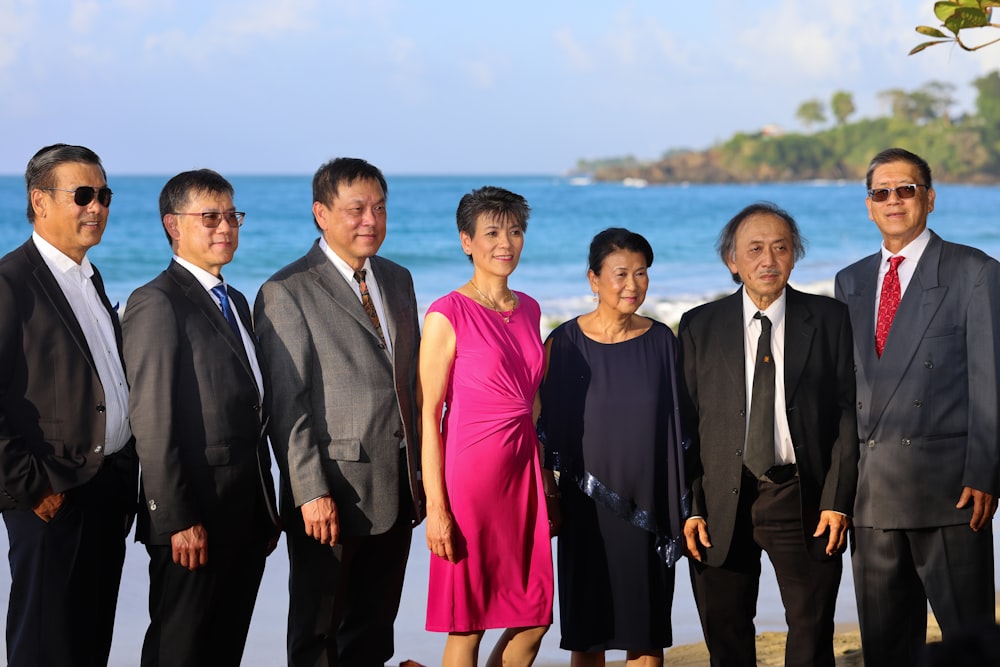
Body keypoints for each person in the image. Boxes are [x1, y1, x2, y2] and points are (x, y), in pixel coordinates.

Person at [254, 157, 423, 667]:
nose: (370, 220)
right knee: (318, 633)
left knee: (374, 630)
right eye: (356, 209)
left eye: (379, 208)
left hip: (396, 484)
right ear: (321, 213)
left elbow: (408, 381)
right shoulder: (287, 290)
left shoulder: (397, 278)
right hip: (329, 494)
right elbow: (288, 405)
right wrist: (310, 493)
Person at [834, 147, 1000, 667]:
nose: (894, 200)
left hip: (951, 494)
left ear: (929, 198)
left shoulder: (975, 271)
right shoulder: (851, 280)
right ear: (868, 206)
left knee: (970, 646)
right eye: (881, 192)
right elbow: (845, 396)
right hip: (871, 497)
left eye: (906, 189)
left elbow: (991, 380)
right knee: (886, 652)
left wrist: (986, 473)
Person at [679, 202, 858, 667]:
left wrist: (837, 499)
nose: (768, 260)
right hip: (722, 497)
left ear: (794, 256)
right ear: (732, 261)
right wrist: (691, 506)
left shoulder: (830, 319)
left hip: (801, 495)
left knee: (812, 628)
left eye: (780, 248)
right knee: (726, 632)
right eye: (754, 249)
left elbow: (847, 416)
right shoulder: (700, 325)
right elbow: (684, 423)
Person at [122, 169, 280, 667]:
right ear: (173, 225)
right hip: (194, 519)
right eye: (209, 217)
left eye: (232, 216)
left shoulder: (233, 300)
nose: (225, 228)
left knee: (223, 649)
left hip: (245, 512)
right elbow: (152, 420)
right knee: (180, 650)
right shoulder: (156, 302)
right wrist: (176, 519)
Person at [0, 144, 138, 666]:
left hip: (105, 494)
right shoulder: (11, 282)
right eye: (82, 195)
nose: (96, 207)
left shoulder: (90, 278)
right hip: (51, 497)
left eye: (103, 195)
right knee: (44, 648)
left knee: (89, 646)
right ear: (39, 201)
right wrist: (32, 486)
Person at [537, 228, 687, 667]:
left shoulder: (663, 342)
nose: (632, 285)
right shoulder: (564, 344)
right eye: (620, 273)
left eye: (641, 274)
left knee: (645, 635)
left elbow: (679, 427)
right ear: (593, 279)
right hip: (585, 507)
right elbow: (544, 429)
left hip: (649, 508)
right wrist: (549, 491)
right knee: (589, 635)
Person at [420, 186, 553, 667]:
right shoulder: (446, 313)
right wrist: (437, 507)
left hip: (523, 476)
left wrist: (544, 476)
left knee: (535, 614)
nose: (506, 243)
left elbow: (532, 398)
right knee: (469, 620)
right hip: (470, 479)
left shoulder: (531, 308)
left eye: (515, 231)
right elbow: (428, 415)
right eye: (492, 232)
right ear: (466, 241)